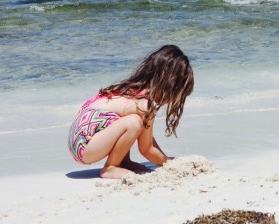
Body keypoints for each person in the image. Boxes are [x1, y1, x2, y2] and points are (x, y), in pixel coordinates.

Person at [68, 45, 194, 178]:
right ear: (169, 85)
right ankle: (110, 167)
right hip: (86, 147)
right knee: (134, 123)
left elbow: (146, 137)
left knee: (133, 122)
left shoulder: (129, 89)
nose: (172, 101)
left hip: (79, 141)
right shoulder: (144, 105)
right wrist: (168, 162)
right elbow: (147, 149)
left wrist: (164, 158)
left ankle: (123, 161)